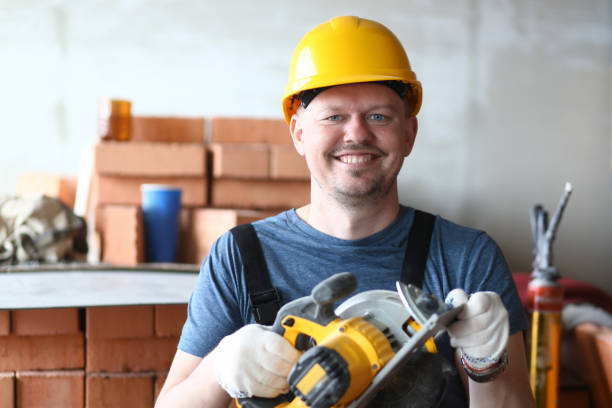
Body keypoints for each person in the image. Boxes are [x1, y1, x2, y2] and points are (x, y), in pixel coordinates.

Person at [155, 16, 535, 408]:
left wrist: (485, 366)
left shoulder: (466, 258)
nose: (356, 134)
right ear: (299, 132)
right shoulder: (238, 256)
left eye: (378, 116)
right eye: (334, 116)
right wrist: (220, 366)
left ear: (409, 133)